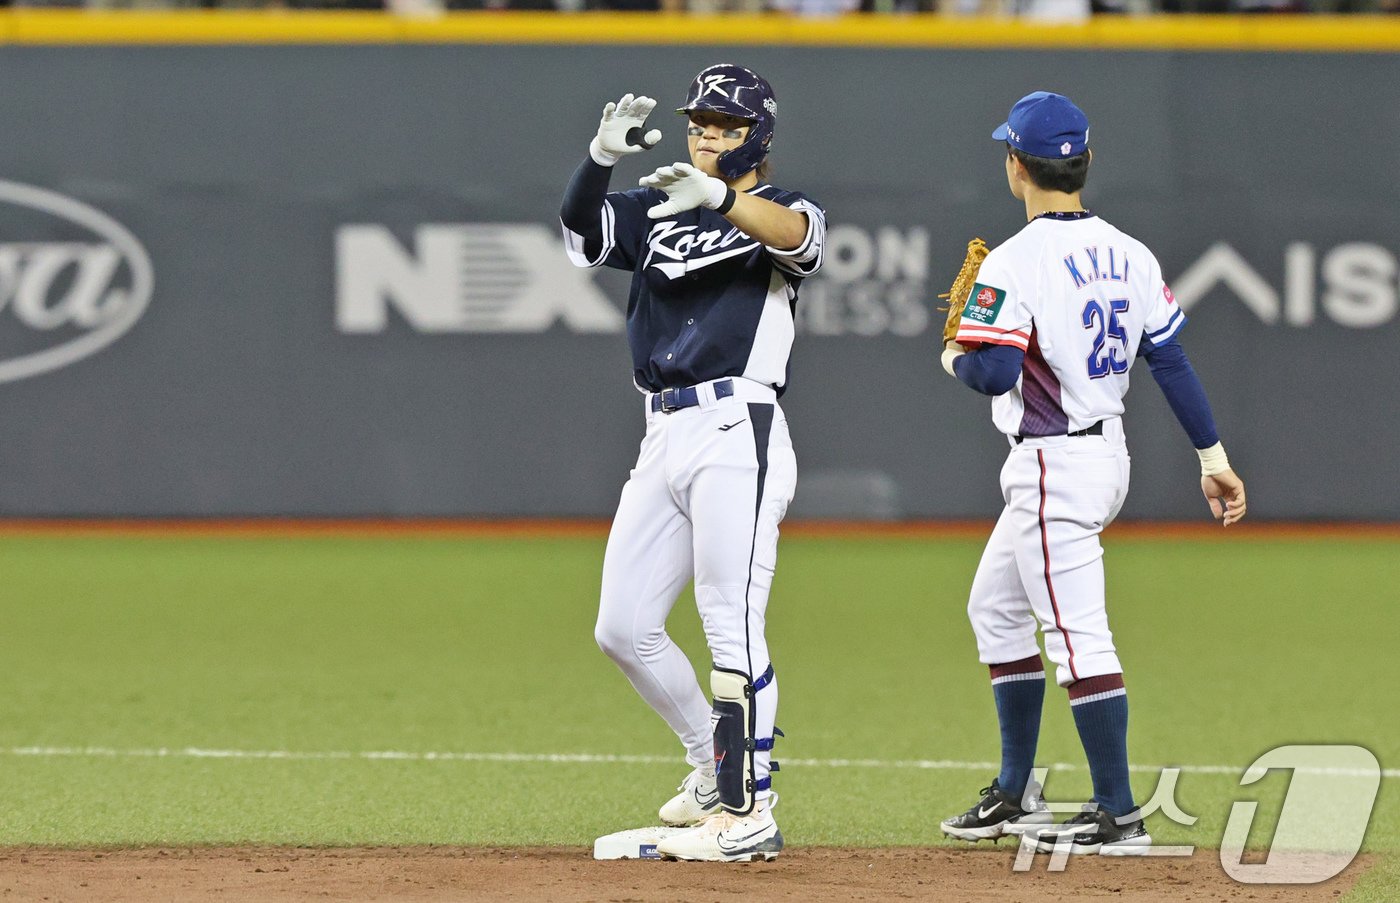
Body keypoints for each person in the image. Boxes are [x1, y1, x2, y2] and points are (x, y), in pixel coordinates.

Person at [937, 91, 1246, 856]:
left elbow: (996, 370)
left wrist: (953, 356)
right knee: (995, 610)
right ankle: (1014, 791)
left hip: (1051, 462)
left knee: (1077, 637)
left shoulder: (1014, 260)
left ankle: (1118, 809)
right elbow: (1169, 358)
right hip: (1104, 457)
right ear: (1084, 163)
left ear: (1017, 166)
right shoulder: (1130, 252)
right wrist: (1213, 456)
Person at [558, 64, 826, 862]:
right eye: (701, 122)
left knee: (729, 617)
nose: (708, 136)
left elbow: (800, 243)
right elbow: (580, 236)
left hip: (734, 427)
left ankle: (750, 813)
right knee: (624, 624)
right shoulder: (657, 204)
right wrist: (598, 161)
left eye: (727, 126)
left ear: (759, 137)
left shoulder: (778, 206)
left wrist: (721, 200)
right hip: (664, 431)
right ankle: (714, 770)